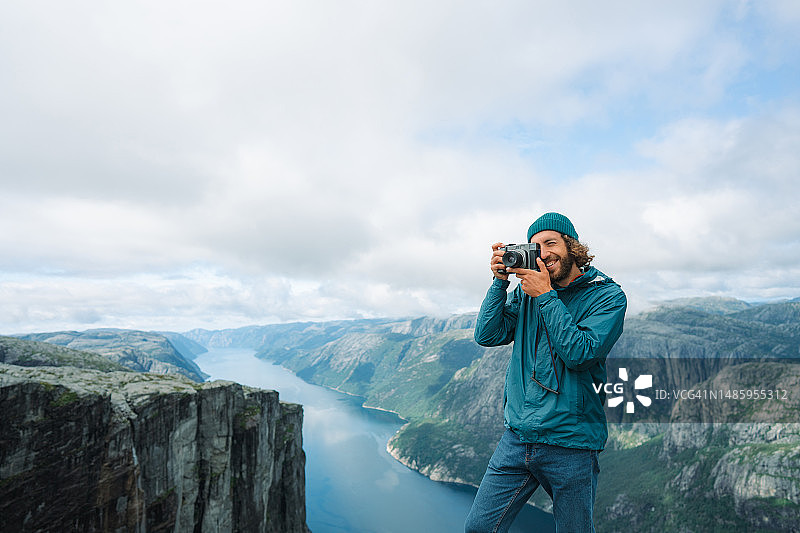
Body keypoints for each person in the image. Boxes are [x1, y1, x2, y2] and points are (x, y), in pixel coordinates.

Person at [465, 212, 627, 533]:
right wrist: (500, 283)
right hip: (518, 437)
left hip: (571, 443)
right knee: (479, 528)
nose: (544, 252)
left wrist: (545, 296)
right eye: (535, 246)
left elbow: (579, 353)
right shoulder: (527, 291)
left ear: (572, 247)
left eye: (551, 242)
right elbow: (488, 335)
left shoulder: (607, 296)